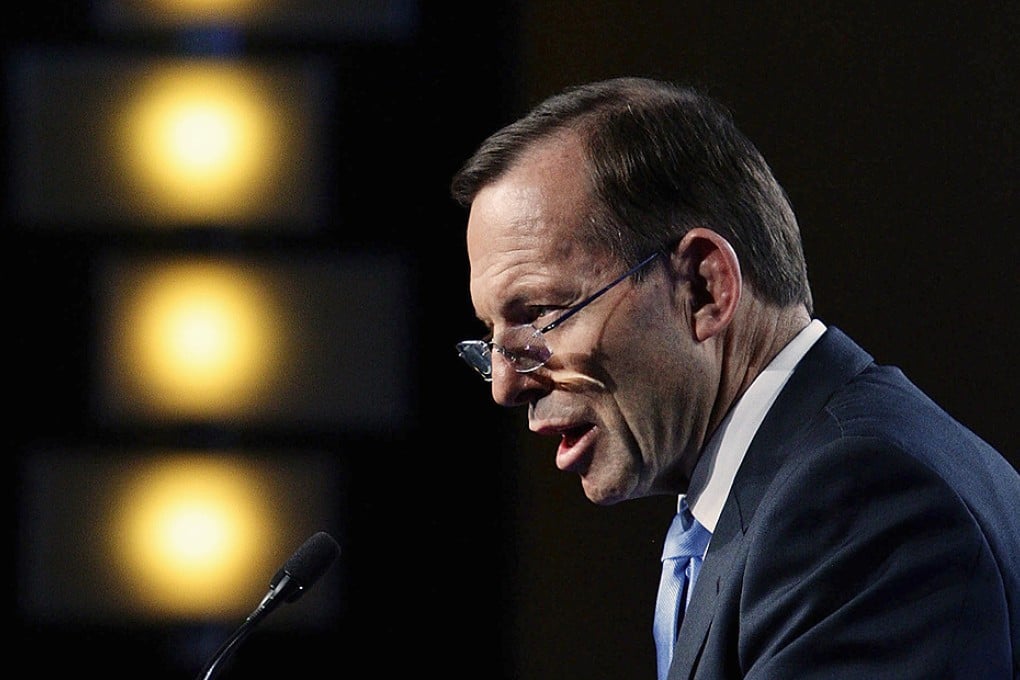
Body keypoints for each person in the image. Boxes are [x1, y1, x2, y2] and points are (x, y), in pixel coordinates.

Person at [450, 76, 1020, 679]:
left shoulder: (857, 502)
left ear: (703, 287)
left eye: (537, 316)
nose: (505, 385)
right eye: (492, 339)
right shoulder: (779, 495)